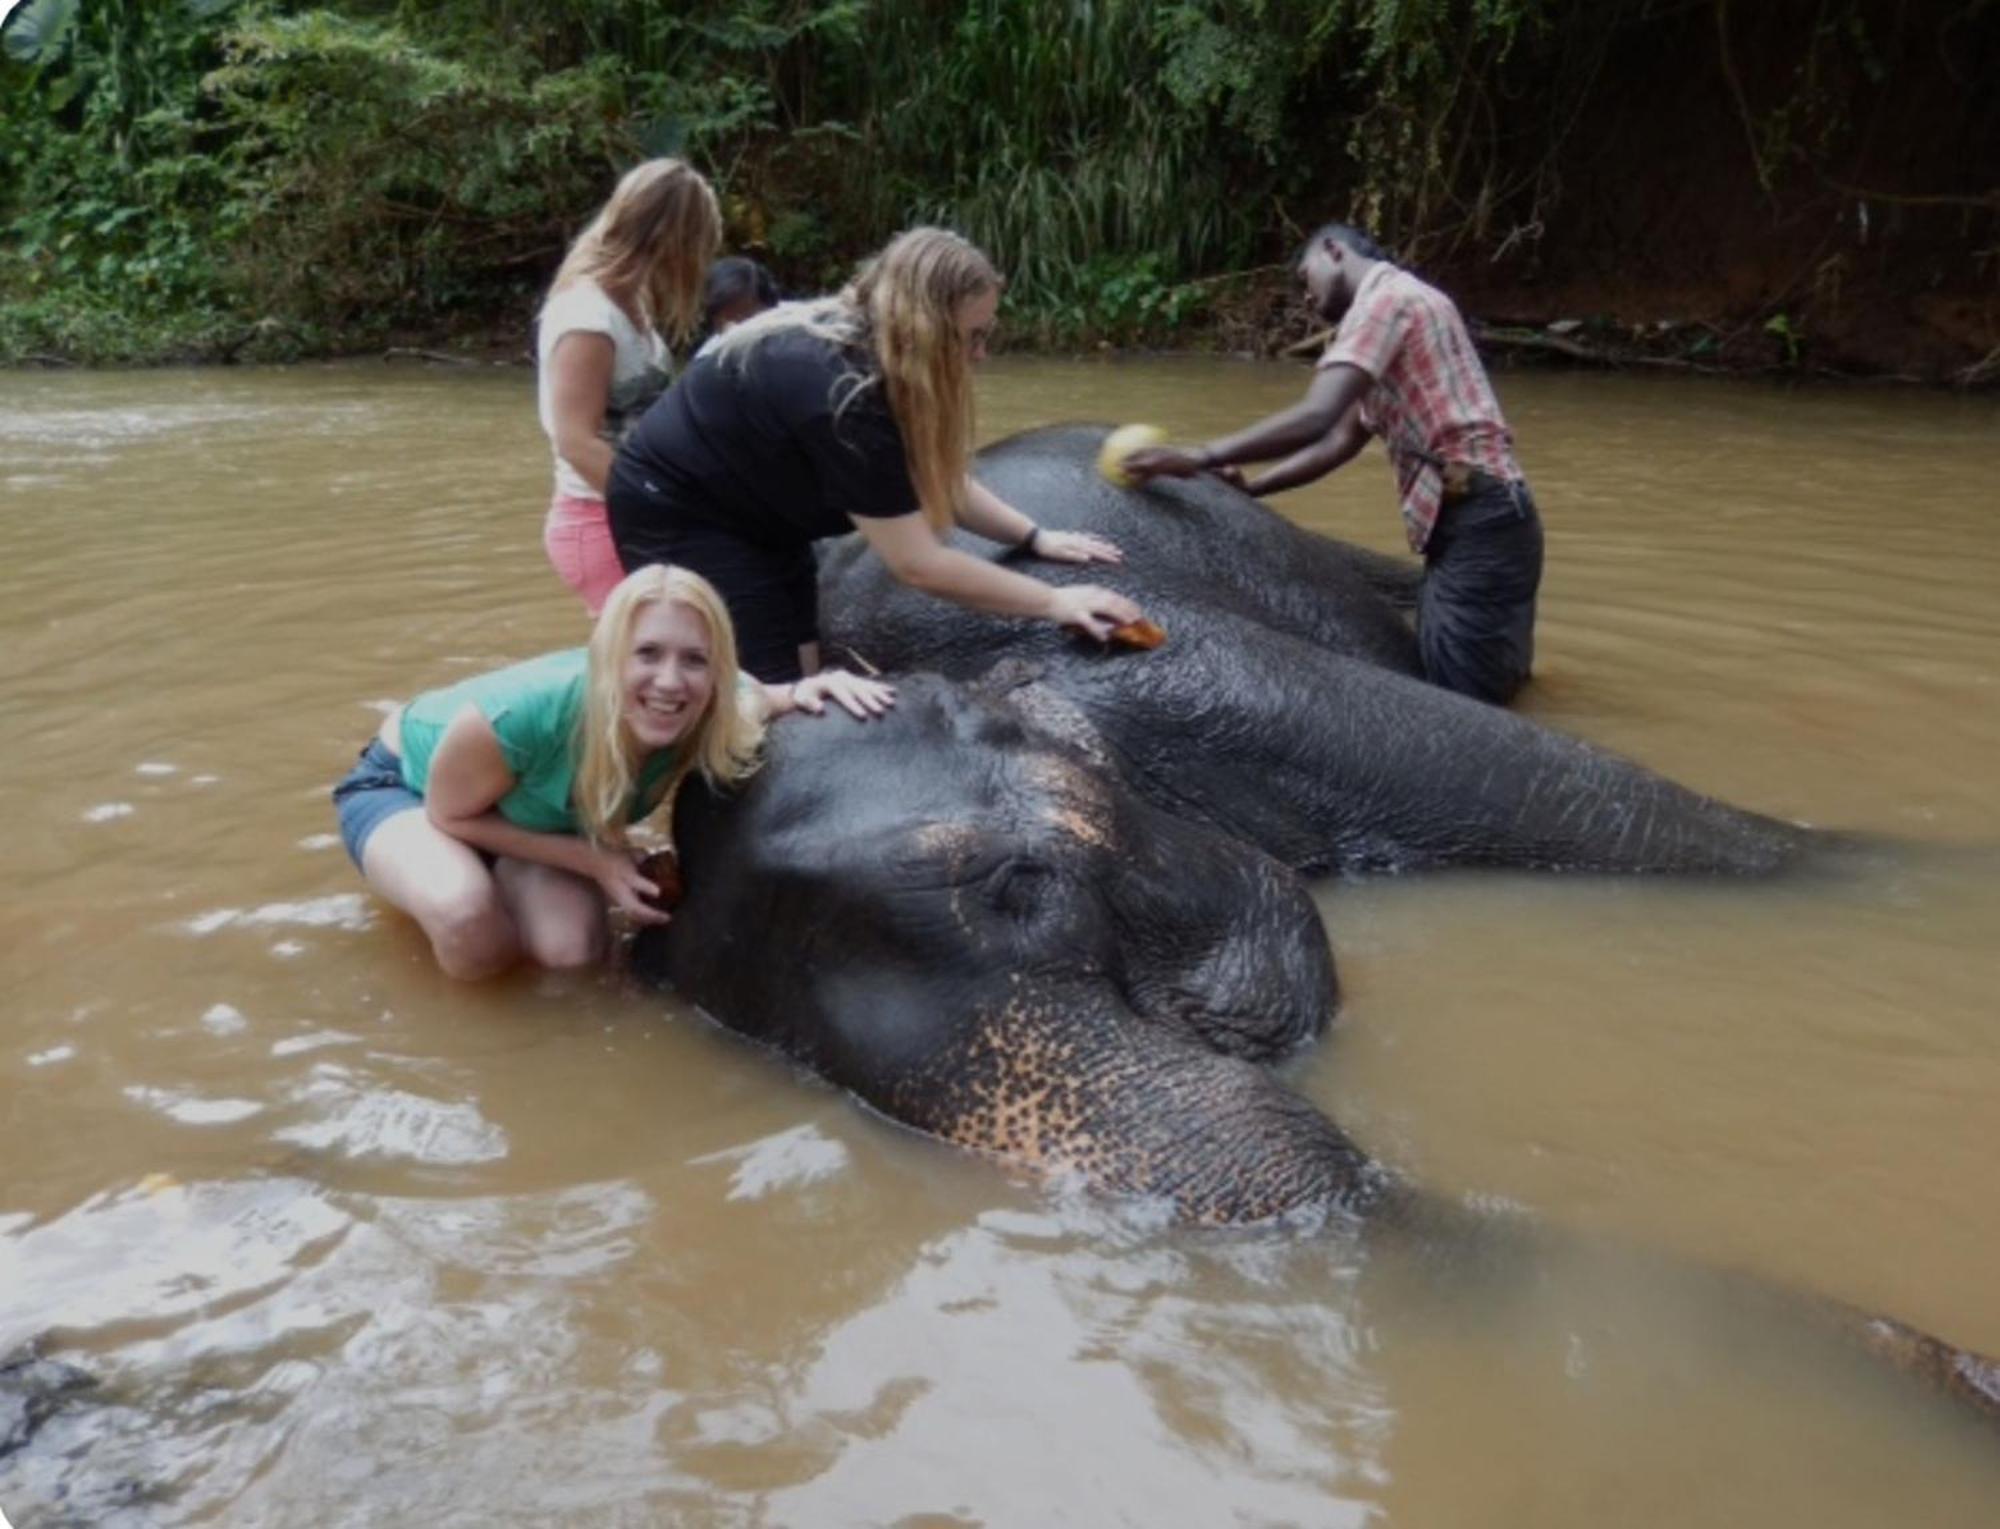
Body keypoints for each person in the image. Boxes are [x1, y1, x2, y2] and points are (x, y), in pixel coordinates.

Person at [606, 226, 1140, 684]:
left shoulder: (877, 350)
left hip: (761, 508)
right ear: (923, 328)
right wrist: (1055, 603)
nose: (980, 355)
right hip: (683, 513)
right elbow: (919, 564)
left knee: (807, 660)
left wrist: (1033, 536)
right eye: (971, 337)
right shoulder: (843, 398)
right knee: (766, 686)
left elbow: (936, 477)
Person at [331, 565, 890, 980]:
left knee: (571, 956)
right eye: (646, 654)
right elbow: (448, 815)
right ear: (609, 657)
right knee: (466, 917)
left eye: (693, 660)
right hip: (412, 792)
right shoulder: (520, 713)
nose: (670, 683)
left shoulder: (717, 706)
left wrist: (814, 689)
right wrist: (593, 859)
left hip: (525, 813)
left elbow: (772, 695)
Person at [1121, 223, 1544, 706]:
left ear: (1333, 250)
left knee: (1463, 707)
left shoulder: (1385, 302)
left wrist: (1201, 454)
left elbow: (1317, 416)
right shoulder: (1396, 315)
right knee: (1497, 686)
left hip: (1480, 519)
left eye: (1306, 278)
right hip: (1481, 518)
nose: (1306, 297)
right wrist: (1252, 491)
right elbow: (1339, 441)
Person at [538, 159, 721, 616]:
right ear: (670, 239)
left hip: (626, 513)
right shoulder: (588, 317)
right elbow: (576, 441)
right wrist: (662, 509)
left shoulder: (629, 300)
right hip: (601, 521)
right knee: (646, 667)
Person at [694, 255, 782, 357]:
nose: (736, 335)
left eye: (746, 323)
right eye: (727, 326)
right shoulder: (709, 359)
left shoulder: (798, 348)